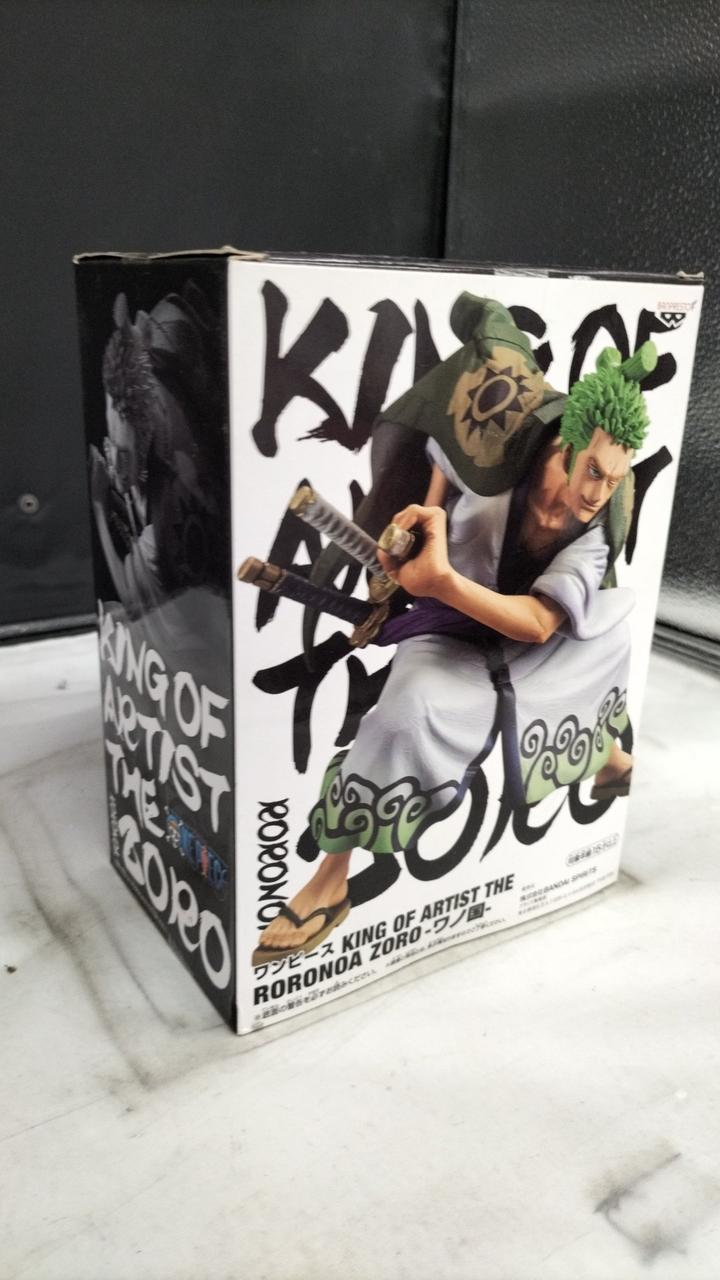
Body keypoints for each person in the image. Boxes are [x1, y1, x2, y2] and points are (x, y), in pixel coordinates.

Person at [252, 325, 656, 967]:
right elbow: (441, 465)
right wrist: (415, 542)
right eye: (593, 472)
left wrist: (442, 580)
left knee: (593, 657)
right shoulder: (499, 454)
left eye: (614, 481)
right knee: (404, 711)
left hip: (534, 629)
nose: (597, 493)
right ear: (568, 445)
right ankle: (332, 878)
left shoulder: (596, 525)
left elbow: (540, 623)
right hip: (446, 625)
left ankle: (606, 759)